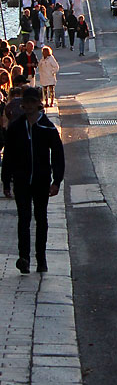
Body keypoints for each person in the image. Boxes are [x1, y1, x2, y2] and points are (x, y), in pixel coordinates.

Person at [3, 86, 65, 274]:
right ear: (23, 105)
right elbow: (9, 156)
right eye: (26, 103)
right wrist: (6, 181)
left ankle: (41, 258)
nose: (29, 106)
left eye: (32, 102)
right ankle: (24, 258)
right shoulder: (16, 128)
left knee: (41, 219)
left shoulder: (47, 127)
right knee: (24, 218)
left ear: (38, 104)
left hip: (40, 180)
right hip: (21, 180)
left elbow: (58, 155)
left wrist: (56, 181)